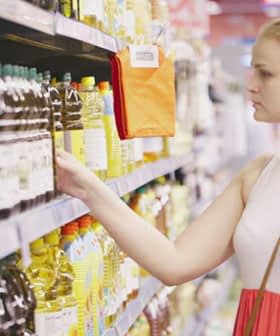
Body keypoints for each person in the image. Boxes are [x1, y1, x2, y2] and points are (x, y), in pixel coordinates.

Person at [56, 18, 280, 335]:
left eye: (266, 73)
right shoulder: (257, 175)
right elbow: (175, 263)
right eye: (253, 70)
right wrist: (88, 188)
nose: (252, 84)